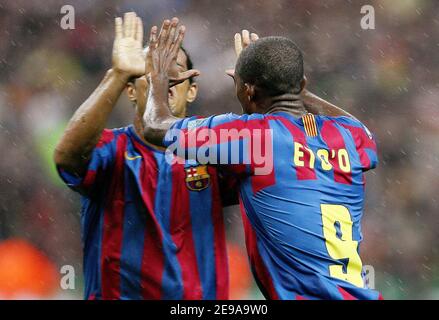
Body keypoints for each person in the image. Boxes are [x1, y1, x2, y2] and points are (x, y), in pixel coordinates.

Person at [142, 18, 382, 300]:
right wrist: (293, 86)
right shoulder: (349, 137)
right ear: (302, 85)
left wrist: (156, 78)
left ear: (249, 91)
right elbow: (362, 131)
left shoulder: (254, 138)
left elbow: (155, 126)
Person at [54, 12, 232, 300]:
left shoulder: (213, 152)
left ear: (192, 91)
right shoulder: (111, 149)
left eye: (173, 70)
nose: (164, 80)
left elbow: (273, 167)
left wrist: (257, 99)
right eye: (152, 72)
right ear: (131, 92)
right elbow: (66, 159)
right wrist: (117, 74)